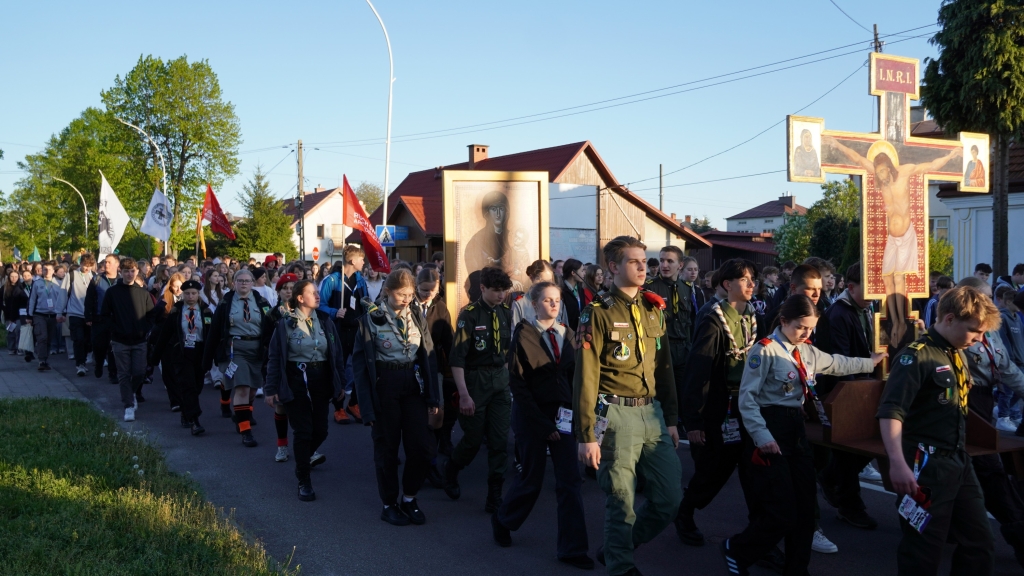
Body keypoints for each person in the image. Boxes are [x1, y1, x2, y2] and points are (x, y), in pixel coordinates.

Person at [721, 295, 883, 575]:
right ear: (783, 321)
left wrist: (871, 362)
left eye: (811, 329)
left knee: (806, 507)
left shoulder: (806, 350)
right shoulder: (765, 350)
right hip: (770, 428)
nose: (806, 333)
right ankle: (738, 549)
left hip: (796, 429)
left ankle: (797, 568)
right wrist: (762, 437)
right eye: (800, 327)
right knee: (781, 509)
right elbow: (747, 400)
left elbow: (835, 363)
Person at [574, 236, 680, 576]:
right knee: (621, 502)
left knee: (669, 498)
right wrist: (586, 434)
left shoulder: (653, 308)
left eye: (643, 261)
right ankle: (621, 566)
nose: (642, 267)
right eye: (633, 261)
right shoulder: (597, 312)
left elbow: (664, 368)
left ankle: (619, 546)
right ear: (613, 267)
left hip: (653, 413)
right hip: (616, 414)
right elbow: (586, 377)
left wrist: (673, 418)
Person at [877, 285, 999, 576]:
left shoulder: (956, 351)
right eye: (974, 331)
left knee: (980, 543)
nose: (979, 339)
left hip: (958, 460)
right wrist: (897, 463)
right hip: (925, 466)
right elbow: (891, 412)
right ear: (949, 319)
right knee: (922, 551)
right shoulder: (916, 356)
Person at [491, 281, 592, 569]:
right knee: (531, 481)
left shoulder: (569, 334)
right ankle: (503, 519)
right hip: (532, 419)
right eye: (547, 300)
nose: (553, 305)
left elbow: (576, 377)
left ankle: (573, 549)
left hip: (564, 418)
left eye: (557, 300)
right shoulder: (524, 335)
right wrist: (541, 423)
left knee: (570, 482)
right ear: (534, 304)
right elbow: (519, 386)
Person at [825, 136, 961, 345]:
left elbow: (931, 165)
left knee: (899, 279)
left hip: (906, 235)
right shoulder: (880, 179)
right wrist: (836, 144)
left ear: (889, 166)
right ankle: (896, 319)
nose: (881, 175)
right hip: (892, 236)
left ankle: (900, 323)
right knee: (887, 277)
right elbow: (858, 158)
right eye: (878, 173)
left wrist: (952, 154)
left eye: (883, 171)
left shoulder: (904, 173)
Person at [677, 259, 763, 551]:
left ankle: (758, 538)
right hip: (719, 407)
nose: (752, 284)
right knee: (714, 472)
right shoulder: (713, 318)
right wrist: (694, 421)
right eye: (745, 279)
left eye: (753, 279)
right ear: (728, 285)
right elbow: (696, 372)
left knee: (755, 474)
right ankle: (684, 512)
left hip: (747, 405)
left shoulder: (750, 314)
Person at [352, 269, 440, 524]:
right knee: (387, 448)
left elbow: (428, 355)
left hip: (412, 384)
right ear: (388, 291)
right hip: (385, 385)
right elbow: (360, 366)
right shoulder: (370, 319)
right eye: (401, 294)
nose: (406, 299)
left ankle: (409, 498)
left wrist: (433, 397)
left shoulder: (415, 314)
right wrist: (366, 407)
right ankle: (389, 502)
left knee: (422, 447)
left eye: (410, 295)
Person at [958, 278, 1024, 567]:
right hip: (965, 402)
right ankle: (1018, 534)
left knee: (988, 473)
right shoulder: (960, 333)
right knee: (990, 471)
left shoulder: (991, 329)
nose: (988, 305)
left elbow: (1007, 368)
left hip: (986, 400)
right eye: (981, 299)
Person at [815, 263, 884, 530]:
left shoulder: (867, 309)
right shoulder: (839, 315)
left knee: (862, 447)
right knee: (850, 447)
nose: (875, 294)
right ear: (851, 287)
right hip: (843, 390)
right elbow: (840, 362)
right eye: (870, 288)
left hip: (864, 387)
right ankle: (849, 504)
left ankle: (833, 480)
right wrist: (856, 395)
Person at [265, 279, 345, 502]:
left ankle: (304, 456)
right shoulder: (285, 324)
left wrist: (340, 383)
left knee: (321, 430)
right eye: (313, 293)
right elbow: (274, 358)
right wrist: (271, 388)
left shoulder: (325, 320)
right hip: (296, 380)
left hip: (321, 379)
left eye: (318, 292)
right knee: (303, 431)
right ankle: (304, 479)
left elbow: (336, 354)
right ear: (300, 298)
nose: (318, 296)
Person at [442, 266, 513, 513]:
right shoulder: (469, 315)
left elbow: (506, 351)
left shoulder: (505, 312)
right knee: (472, 440)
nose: (501, 295)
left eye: (504, 290)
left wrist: (504, 376)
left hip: (499, 383)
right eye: (496, 291)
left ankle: (494, 494)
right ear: (482, 288)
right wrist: (464, 395)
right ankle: (451, 469)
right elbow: (457, 358)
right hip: (475, 382)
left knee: (499, 441)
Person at [203, 268, 274, 447]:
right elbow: (214, 331)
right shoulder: (225, 303)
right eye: (240, 281)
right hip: (234, 350)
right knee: (241, 388)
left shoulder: (261, 301)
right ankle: (245, 430)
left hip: (257, 350)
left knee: (251, 389)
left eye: (247, 281)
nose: (243, 283)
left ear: (252, 283)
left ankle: (243, 413)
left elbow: (271, 324)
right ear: (233, 283)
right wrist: (207, 359)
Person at [644, 246, 696, 442]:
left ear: (680, 265)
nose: (664, 265)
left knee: (683, 390)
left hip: (683, 348)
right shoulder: (650, 287)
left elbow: (688, 320)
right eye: (662, 260)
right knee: (663, 390)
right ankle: (662, 424)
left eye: (670, 261)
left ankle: (679, 423)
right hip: (661, 348)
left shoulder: (686, 288)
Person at [100, 258, 161, 422]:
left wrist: (145, 329)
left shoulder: (143, 293)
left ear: (137, 272)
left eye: (132, 271)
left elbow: (152, 314)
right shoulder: (112, 292)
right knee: (124, 373)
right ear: (121, 271)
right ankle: (128, 405)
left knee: (139, 372)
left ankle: (132, 393)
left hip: (140, 340)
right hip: (119, 340)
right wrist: (114, 329)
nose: (129, 274)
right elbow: (104, 315)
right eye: (126, 271)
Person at [149, 279, 212, 436]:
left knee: (197, 386)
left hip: (199, 351)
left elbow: (212, 335)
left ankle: (186, 411)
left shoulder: (206, 312)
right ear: (183, 295)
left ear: (199, 295)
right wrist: (154, 358)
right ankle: (195, 420)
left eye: (194, 293)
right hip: (182, 353)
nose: (190, 296)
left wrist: (214, 355)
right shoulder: (176, 311)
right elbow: (165, 334)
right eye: (187, 294)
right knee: (187, 385)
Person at [412, 267, 456, 489]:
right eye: (423, 290)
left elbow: (449, 340)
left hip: (433, 366)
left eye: (432, 290)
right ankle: (420, 459)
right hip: (409, 366)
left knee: (436, 415)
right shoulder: (408, 304)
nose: (428, 294)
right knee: (414, 416)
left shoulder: (440, 307)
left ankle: (431, 461)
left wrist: (456, 369)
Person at [319, 247, 369, 424]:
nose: (363, 262)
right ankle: (339, 407)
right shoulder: (331, 280)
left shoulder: (361, 280)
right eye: (361, 259)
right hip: (337, 330)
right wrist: (334, 312)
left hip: (357, 330)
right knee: (338, 367)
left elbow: (366, 303)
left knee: (359, 367)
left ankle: (354, 404)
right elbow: (320, 304)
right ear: (352, 261)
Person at [265, 273, 299, 462]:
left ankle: (306, 447)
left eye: (292, 288)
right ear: (279, 291)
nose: (288, 291)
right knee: (281, 407)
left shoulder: (304, 312)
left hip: (299, 365)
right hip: (281, 366)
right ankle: (282, 445)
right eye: (285, 288)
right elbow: (266, 343)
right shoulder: (272, 314)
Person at [86, 254, 122, 384]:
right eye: (105, 262)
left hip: (116, 319)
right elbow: (89, 299)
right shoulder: (96, 279)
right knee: (99, 345)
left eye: (109, 262)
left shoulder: (122, 281)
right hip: (99, 319)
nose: (106, 264)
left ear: (117, 264)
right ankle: (99, 363)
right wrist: (88, 316)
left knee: (113, 347)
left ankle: (113, 373)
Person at [26, 262, 67, 371]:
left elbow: (62, 300)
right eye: (45, 269)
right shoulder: (37, 283)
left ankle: (45, 359)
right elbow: (32, 299)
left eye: (49, 269)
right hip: (40, 314)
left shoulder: (59, 284)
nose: (47, 271)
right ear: (41, 271)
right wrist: (29, 315)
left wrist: (62, 313)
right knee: (42, 337)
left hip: (53, 315)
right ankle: (41, 360)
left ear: (54, 271)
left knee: (49, 338)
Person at [64, 255, 95, 376]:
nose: (87, 268)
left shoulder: (94, 276)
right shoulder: (71, 275)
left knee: (88, 340)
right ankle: (80, 364)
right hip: (75, 312)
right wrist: (59, 311)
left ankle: (86, 358)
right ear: (80, 263)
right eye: (85, 265)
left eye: (89, 266)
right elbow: (63, 292)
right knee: (78, 339)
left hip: (89, 314)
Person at [511, 260, 567, 326]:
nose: (545, 286)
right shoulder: (520, 304)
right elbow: (515, 333)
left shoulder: (558, 303)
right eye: (542, 282)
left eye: (549, 282)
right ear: (531, 278)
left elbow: (565, 331)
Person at [3, 269, 28, 356]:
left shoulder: (21, 287)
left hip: (19, 313)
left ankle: (19, 348)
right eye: (12, 277)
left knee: (19, 331)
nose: (14, 278)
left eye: (16, 277)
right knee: (11, 332)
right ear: (9, 278)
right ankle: (11, 348)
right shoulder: (4, 288)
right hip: (8, 313)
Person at [560, 259, 585, 330]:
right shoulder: (561, 290)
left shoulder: (580, 290)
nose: (584, 273)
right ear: (573, 273)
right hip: (566, 330)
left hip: (579, 330)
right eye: (582, 271)